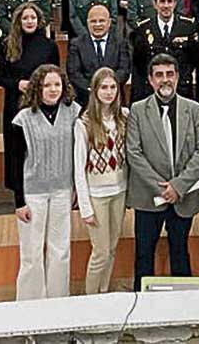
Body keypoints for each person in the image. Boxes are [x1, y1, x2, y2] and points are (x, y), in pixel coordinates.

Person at [126, 53, 199, 290]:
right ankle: (141, 307)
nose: (165, 80)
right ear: (150, 80)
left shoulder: (195, 110)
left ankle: (182, 308)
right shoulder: (138, 110)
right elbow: (134, 153)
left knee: (180, 253)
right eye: (159, 75)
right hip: (148, 197)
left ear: (178, 77)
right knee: (144, 255)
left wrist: (178, 187)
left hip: (184, 196)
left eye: (170, 74)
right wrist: (163, 187)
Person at [8, 65, 78, 301]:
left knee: (60, 250)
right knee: (32, 253)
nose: (52, 89)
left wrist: (76, 188)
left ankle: (59, 304)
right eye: (47, 85)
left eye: (57, 84)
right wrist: (19, 201)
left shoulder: (74, 112)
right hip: (33, 195)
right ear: (37, 87)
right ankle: (30, 309)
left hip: (62, 191)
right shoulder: (23, 119)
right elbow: (14, 163)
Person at [0, 2, 60, 199]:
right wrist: (17, 84)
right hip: (16, 105)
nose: (29, 21)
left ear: (39, 21)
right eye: (25, 18)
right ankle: (19, 199)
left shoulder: (49, 46)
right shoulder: (7, 45)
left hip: (42, 107)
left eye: (33, 18)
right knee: (17, 152)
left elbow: (56, 76)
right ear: (18, 21)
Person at [74, 68, 129, 294]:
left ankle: (104, 293)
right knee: (101, 252)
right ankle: (91, 300)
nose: (109, 92)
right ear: (94, 91)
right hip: (96, 196)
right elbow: (78, 168)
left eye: (113, 87)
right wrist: (85, 206)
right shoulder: (84, 123)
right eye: (103, 87)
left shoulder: (124, 116)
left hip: (120, 192)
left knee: (112, 249)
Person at [131, 0, 199, 102]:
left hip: (181, 89)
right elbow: (139, 63)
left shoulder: (188, 27)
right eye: (162, 1)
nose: (166, 6)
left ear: (175, 3)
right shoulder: (143, 28)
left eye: (169, 1)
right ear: (155, 4)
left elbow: (195, 58)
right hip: (152, 91)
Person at [67, 4, 131, 107]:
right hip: (86, 101)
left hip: (114, 100)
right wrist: (94, 90)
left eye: (101, 21)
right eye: (93, 21)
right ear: (87, 23)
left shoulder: (120, 43)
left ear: (109, 22)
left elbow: (124, 70)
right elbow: (74, 73)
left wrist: (108, 88)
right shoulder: (76, 44)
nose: (97, 25)